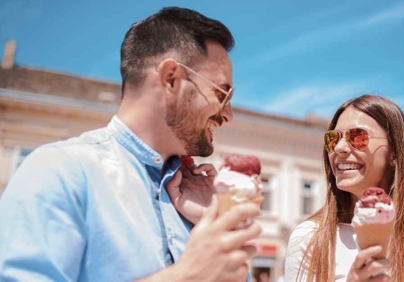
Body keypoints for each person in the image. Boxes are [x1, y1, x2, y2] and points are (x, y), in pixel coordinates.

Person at [0, 7, 261, 282]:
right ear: (171, 78)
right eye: (222, 93)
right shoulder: (60, 173)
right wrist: (186, 275)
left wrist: (217, 225)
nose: (229, 115)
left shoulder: (202, 199)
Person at [284, 95, 404, 282]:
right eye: (333, 139)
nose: (339, 148)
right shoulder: (308, 238)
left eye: (358, 137)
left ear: (394, 151)